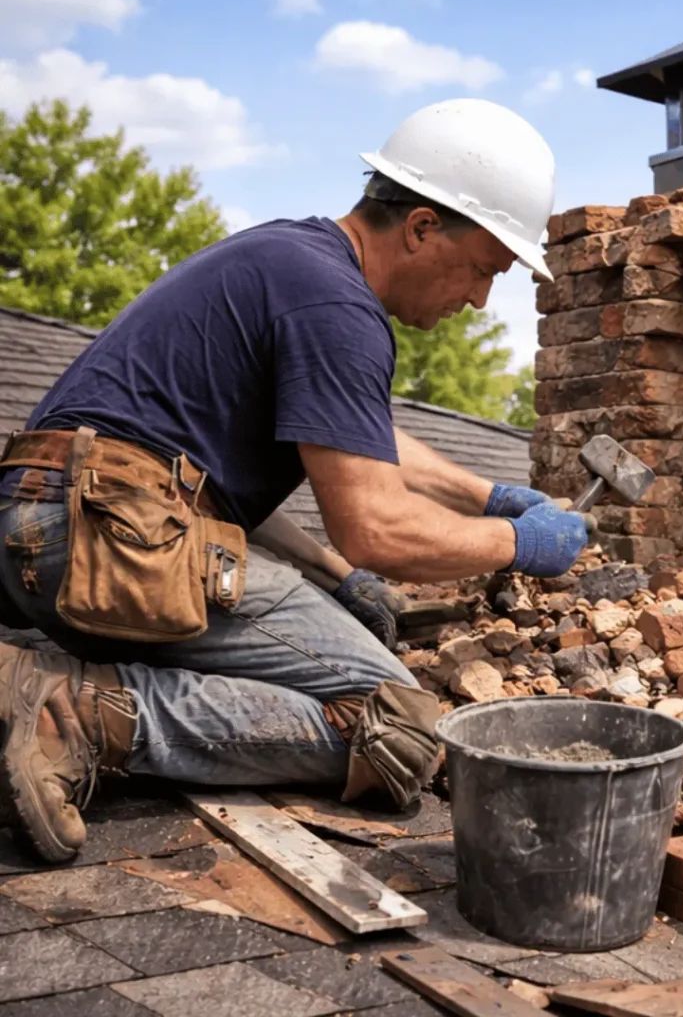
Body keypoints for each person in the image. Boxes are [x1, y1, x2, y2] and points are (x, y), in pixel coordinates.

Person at [0, 98, 591, 864]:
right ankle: (71, 712)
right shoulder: (338, 307)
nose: (478, 300)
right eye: (483, 269)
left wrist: (472, 504)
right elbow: (376, 526)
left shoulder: (293, 261)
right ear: (419, 227)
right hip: (110, 537)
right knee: (399, 725)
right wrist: (517, 542)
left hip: (44, 526)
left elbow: (268, 468)